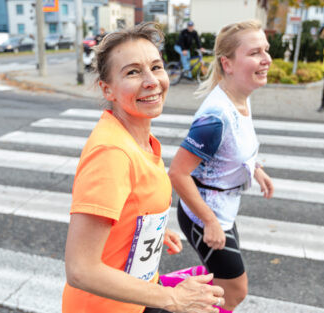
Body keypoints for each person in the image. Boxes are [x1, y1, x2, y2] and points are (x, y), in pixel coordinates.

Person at [62, 22, 225, 313]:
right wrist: (174, 299)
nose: (152, 81)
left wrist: (147, 229)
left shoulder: (140, 139)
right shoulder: (112, 152)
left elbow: (127, 204)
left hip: (136, 300)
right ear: (107, 89)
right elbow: (80, 269)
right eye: (133, 72)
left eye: (156, 67)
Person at [168, 20, 274, 313]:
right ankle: (165, 295)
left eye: (266, 50)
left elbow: (236, 147)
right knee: (236, 292)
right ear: (227, 63)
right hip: (204, 214)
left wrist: (256, 169)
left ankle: (166, 287)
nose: (266, 59)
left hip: (224, 208)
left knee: (223, 283)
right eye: (255, 53)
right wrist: (210, 221)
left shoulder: (241, 96)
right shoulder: (215, 117)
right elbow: (177, 173)